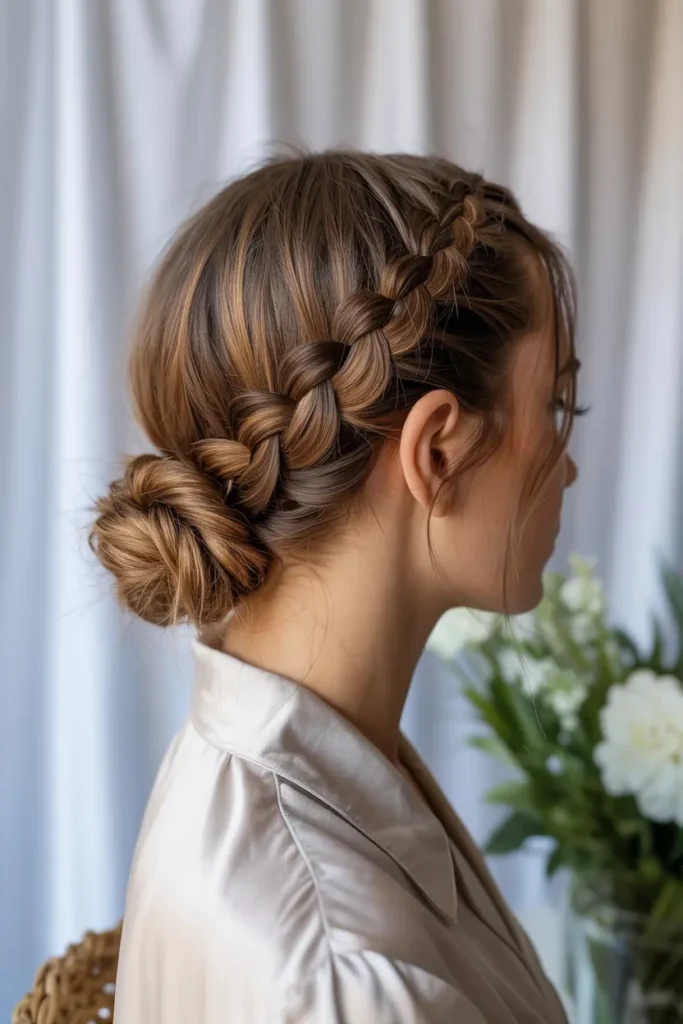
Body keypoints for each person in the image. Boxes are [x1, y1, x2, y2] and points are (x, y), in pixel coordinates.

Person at [90, 151, 581, 1022]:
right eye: (554, 406)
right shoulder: (354, 986)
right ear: (436, 453)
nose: (567, 465)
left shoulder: (277, 758)